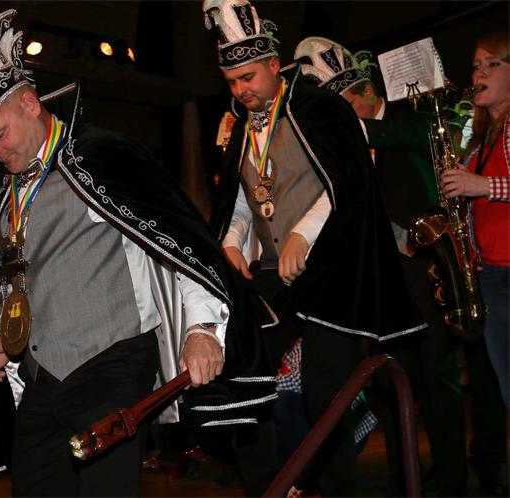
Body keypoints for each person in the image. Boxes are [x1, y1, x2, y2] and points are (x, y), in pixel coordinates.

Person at [0, 8, 276, 497]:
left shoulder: (103, 157)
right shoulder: (6, 196)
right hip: (43, 376)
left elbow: (182, 245)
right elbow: (23, 278)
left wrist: (202, 330)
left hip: (112, 365)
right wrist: (5, 340)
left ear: (29, 103)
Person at [202, 1, 426, 495]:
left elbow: (347, 180)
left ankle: (338, 488)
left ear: (274, 65)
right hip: (272, 273)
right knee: (246, 373)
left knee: (325, 392)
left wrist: (303, 234)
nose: (241, 90)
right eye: (232, 81)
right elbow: (241, 199)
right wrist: (232, 242)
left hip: (330, 269)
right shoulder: (241, 127)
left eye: (248, 77)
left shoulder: (319, 109)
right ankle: (268, 488)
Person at [294, 36, 469, 495]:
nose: (344, 117)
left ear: (369, 92)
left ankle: (453, 478)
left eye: (347, 105)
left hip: (423, 273)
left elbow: (416, 136)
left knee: (438, 381)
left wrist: (345, 127)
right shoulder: (351, 142)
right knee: (393, 386)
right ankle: (403, 478)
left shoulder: (406, 121)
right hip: (381, 283)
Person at [441, 32, 509, 495]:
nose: (479, 73)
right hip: (493, 275)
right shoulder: (482, 138)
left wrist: (481, 186)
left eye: (493, 64)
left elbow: (492, 189)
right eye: (476, 66)